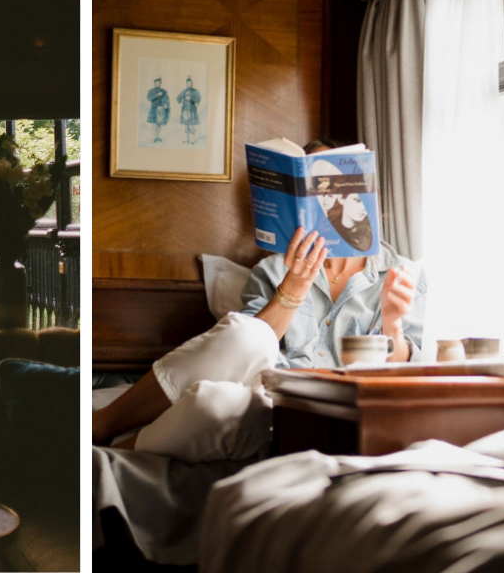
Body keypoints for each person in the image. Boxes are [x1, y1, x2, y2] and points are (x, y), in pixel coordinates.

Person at [92, 140, 426, 454]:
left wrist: (393, 325)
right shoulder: (271, 270)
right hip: (272, 398)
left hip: (339, 412)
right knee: (240, 349)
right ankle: (103, 432)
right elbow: (244, 349)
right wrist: (294, 285)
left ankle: (115, 451)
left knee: (211, 402)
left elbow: (408, 374)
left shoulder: (402, 274)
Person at [176, 76, 201, 145]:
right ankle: (186, 139)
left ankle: (192, 140)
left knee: (191, 125)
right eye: (188, 83)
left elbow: (198, 99)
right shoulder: (183, 92)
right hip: (184, 110)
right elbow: (178, 98)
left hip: (192, 110)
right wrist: (180, 102)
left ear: (192, 84)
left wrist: (195, 102)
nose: (189, 84)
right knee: (185, 126)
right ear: (186, 84)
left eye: (190, 83)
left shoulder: (195, 91)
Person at [146, 77, 170, 143]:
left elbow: (166, 99)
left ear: (160, 83)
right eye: (156, 83)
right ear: (154, 83)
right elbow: (149, 98)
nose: (158, 84)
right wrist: (157, 95)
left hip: (161, 108)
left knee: (159, 123)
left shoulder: (163, 91)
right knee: (154, 123)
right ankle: (155, 137)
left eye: (159, 83)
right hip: (154, 108)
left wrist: (166, 105)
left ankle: (158, 136)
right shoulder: (151, 91)